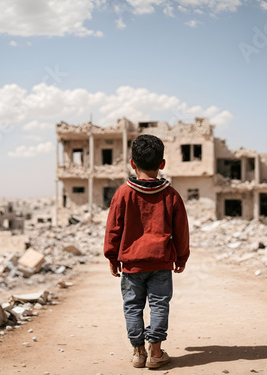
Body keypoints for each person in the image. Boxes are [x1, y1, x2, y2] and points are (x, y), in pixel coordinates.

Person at [104, 134, 190, 369]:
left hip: (132, 265)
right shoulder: (171, 195)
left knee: (133, 306)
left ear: (132, 163)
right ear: (162, 164)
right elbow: (181, 230)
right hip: (161, 264)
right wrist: (181, 257)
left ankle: (138, 352)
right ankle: (156, 352)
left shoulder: (123, 193)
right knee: (160, 305)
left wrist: (112, 258)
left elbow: (113, 229)